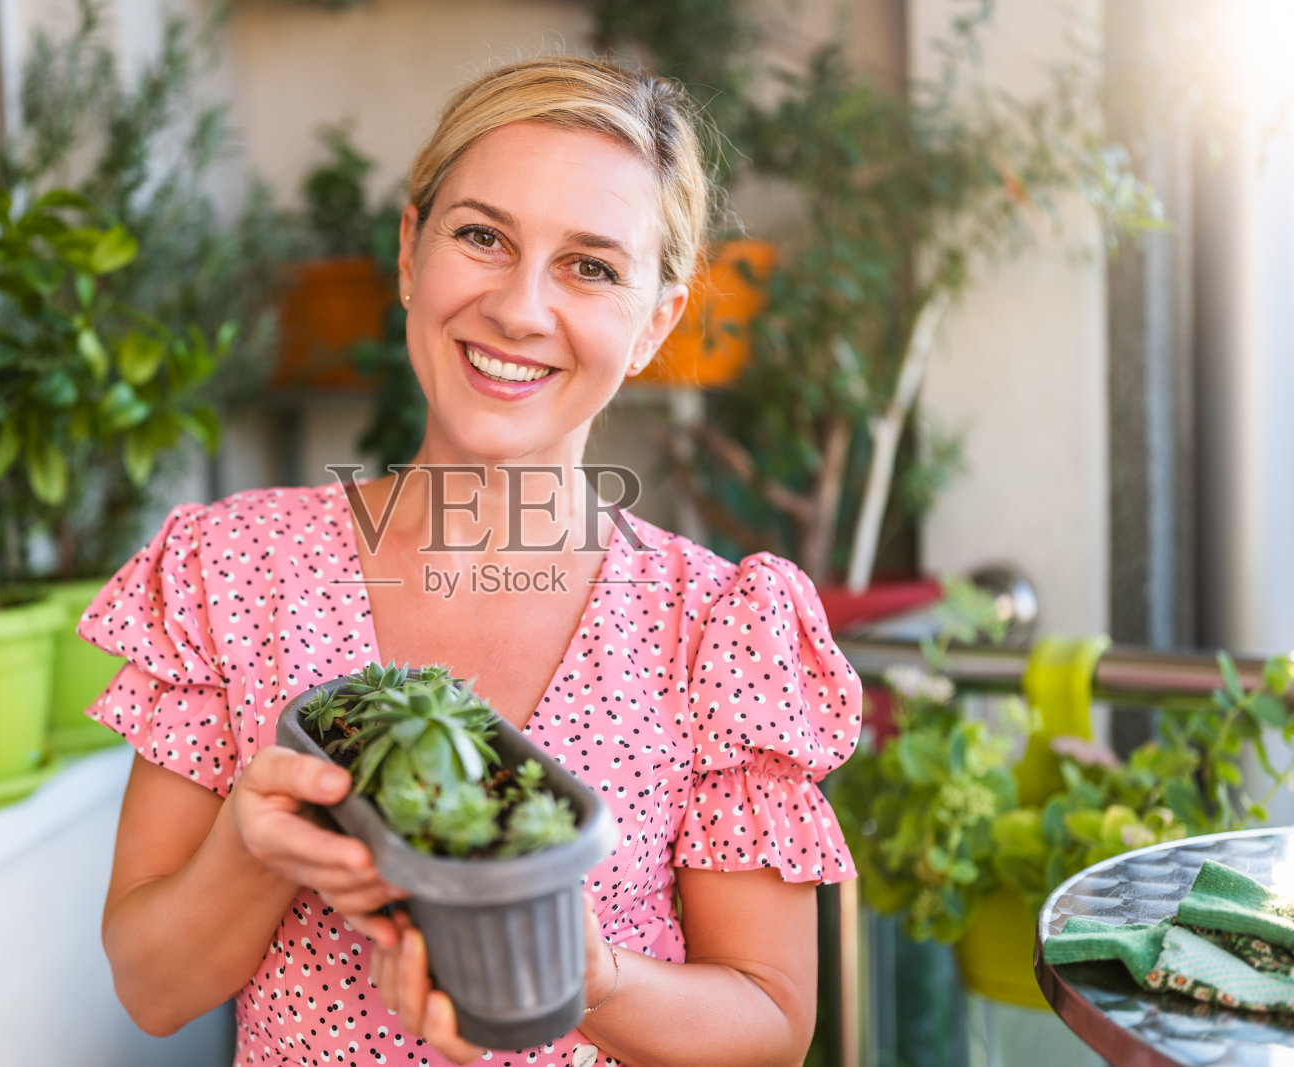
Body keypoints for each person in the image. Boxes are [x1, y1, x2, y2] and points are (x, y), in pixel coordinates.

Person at [78, 54, 862, 1067]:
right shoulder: (232, 570)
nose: (519, 309)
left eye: (591, 266)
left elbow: (771, 1027)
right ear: (412, 253)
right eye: (483, 236)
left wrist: (588, 979)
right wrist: (253, 845)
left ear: (655, 323)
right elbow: (149, 989)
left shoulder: (714, 626)